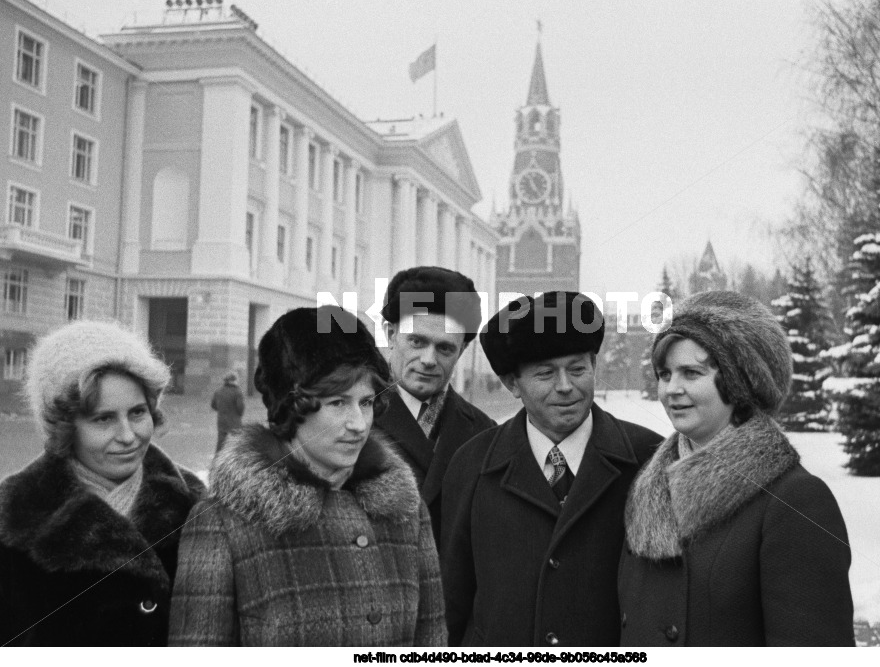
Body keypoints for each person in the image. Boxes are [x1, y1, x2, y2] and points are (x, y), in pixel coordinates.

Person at [169, 306, 446, 646]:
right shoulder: (222, 522)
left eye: (366, 402)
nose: (359, 424)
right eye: (338, 403)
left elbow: (431, 642)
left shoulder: (405, 510)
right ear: (292, 406)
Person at [619, 291, 855, 646]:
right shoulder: (647, 486)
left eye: (691, 373)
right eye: (665, 374)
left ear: (739, 381)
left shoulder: (796, 501)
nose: (671, 389)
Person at [441, 291, 662, 647]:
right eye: (545, 373)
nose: (565, 387)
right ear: (513, 384)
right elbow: (451, 599)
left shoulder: (649, 460)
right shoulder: (472, 464)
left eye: (578, 369)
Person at [0, 320, 205, 646]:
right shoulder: (13, 519)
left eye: (138, 413)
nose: (127, 436)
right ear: (65, 428)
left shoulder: (197, 505)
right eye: (103, 418)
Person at [378, 266, 496, 545]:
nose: (429, 359)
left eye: (445, 348)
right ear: (391, 334)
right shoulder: (350, 418)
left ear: (463, 350)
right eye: (417, 341)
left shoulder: (483, 433)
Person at [210, 370, 244, 452]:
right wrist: (239, 414)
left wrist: (221, 410)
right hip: (234, 422)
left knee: (221, 443)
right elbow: (240, 408)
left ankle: (217, 461)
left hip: (222, 421)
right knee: (236, 443)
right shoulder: (237, 392)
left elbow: (213, 405)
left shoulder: (218, 391)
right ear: (234, 380)